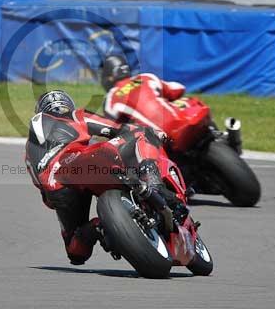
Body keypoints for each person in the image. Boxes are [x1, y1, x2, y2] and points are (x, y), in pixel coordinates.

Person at [25, 90, 183, 266]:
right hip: (82, 162)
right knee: (141, 132)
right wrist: (156, 133)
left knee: (76, 251)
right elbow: (116, 128)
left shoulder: (28, 149)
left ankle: (98, 228)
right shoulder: (76, 116)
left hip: (57, 187)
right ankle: (154, 185)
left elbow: (45, 196)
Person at [100, 54, 189, 135]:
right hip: (182, 125)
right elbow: (179, 88)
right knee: (186, 101)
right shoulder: (146, 77)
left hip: (157, 141)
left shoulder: (111, 97)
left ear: (111, 75)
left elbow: (111, 127)